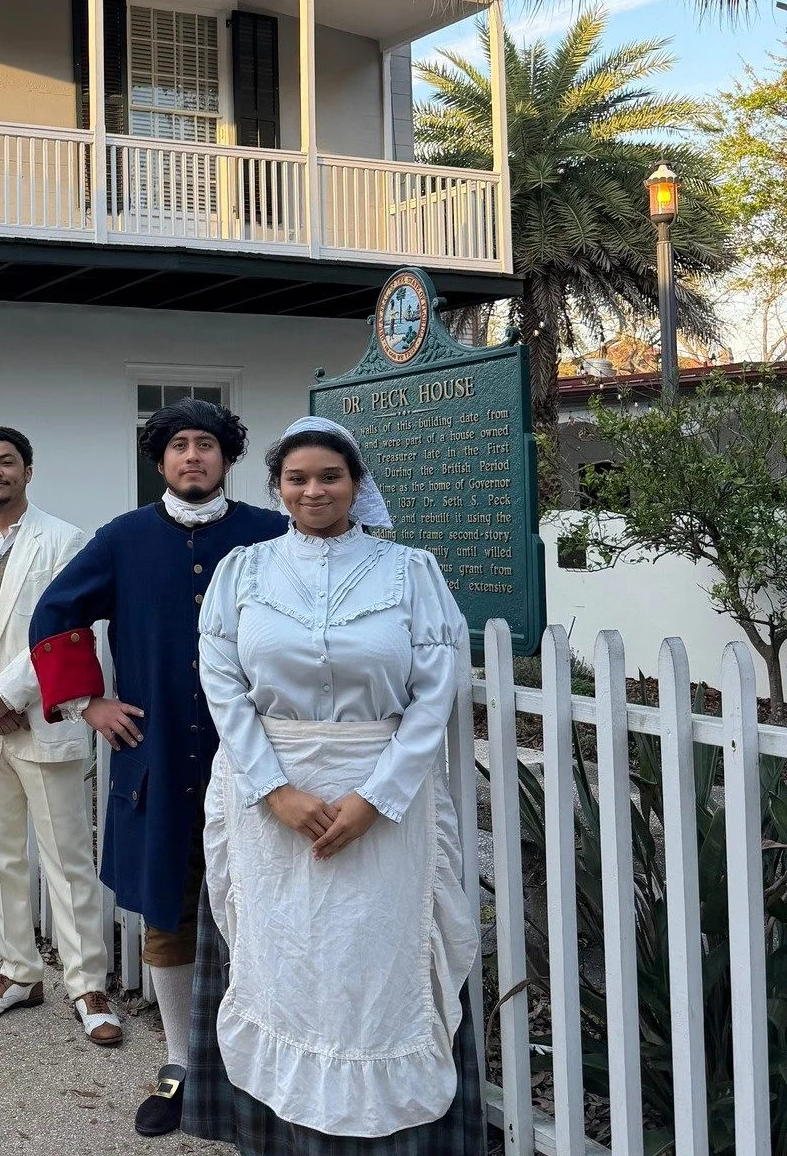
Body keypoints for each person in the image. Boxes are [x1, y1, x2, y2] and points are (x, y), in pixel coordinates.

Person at [183, 416, 481, 1154]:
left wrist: (376, 799)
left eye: (329, 476)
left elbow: (434, 693)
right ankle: (280, 1131)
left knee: (376, 956)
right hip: (270, 795)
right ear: (277, 487)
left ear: (356, 484)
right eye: (297, 478)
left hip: (382, 793)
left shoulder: (410, 571)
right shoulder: (243, 571)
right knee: (281, 956)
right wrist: (274, 790)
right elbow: (223, 685)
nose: (313, 490)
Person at [29, 398, 288, 1138]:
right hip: (157, 757)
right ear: (161, 460)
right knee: (169, 911)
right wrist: (89, 703)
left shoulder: (271, 535)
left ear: (228, 457)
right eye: (179, 445)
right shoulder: (123, 538)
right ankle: (181, 1062)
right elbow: (54, 613)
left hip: (259, 756)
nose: (192, 456)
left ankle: (264, 1063)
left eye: (206, 443)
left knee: (264, 907)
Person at [0, 427, 122, 1046]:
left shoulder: (64, 540)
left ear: (28, 471)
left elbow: (65, 627)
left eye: (6, 462)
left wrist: (9, 694)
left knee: (68, 859)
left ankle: (87, 984)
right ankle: (18, 972)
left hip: (43, 719)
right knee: (1, 857)